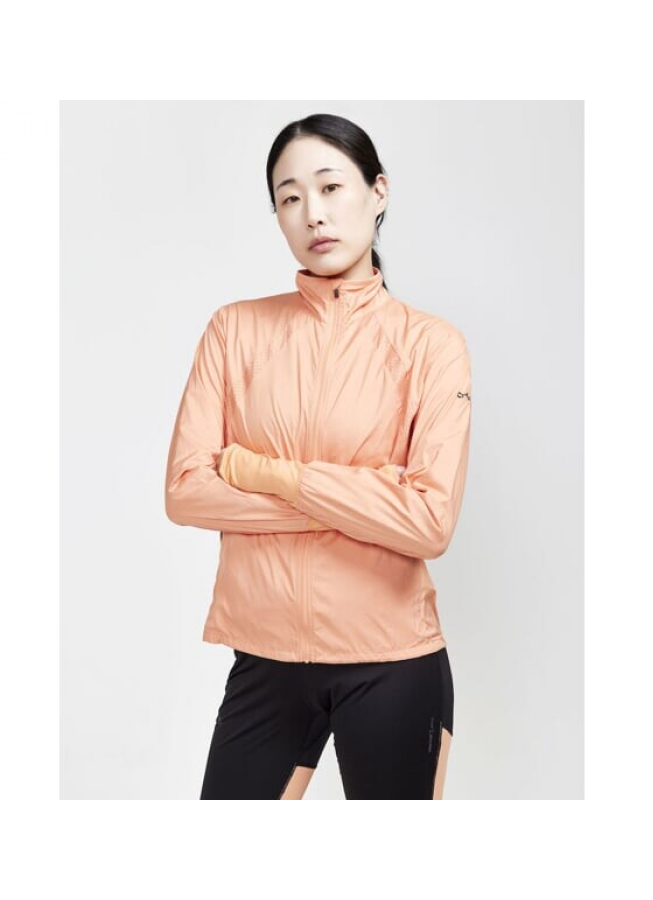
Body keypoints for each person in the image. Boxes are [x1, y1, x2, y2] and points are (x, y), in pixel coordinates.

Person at [164, 113, 472, 800]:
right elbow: (186, 490)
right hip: (265, 661)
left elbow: (429, 523)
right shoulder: (235, 330)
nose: (313, 213)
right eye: (290, 197)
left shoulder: (432, 346)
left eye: (331, 187)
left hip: (394, 662)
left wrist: (265, 473)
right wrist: (366, 503)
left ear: (378, 192)